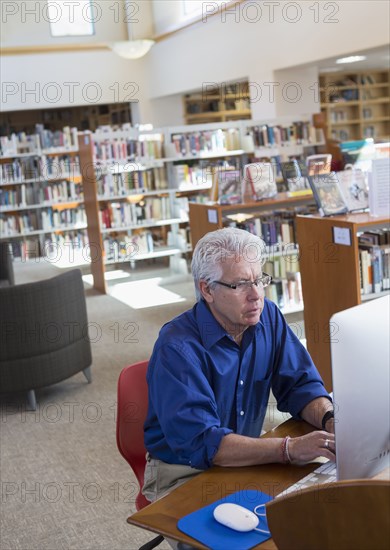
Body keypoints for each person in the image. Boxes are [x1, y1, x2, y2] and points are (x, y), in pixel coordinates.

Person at [143, 227, 335, 503]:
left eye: (259, 280)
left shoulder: (267, 315)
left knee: (311, 512)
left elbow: (300, 384)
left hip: (245, 453)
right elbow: (203, 443)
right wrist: (288, 449)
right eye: (241, 284)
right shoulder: (176, 349)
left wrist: (330, 419)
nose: (256, 295)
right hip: (184, 470)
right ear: (207, 290)